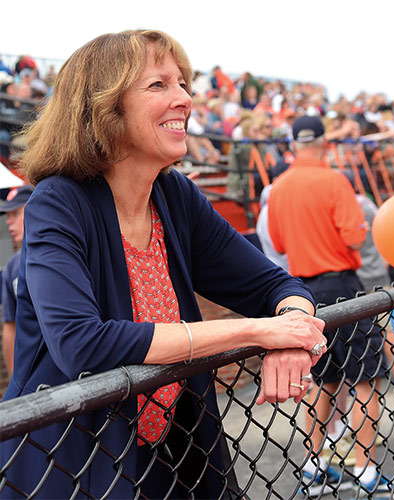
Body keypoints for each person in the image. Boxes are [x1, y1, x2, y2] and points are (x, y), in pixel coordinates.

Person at [0, 30, 329, 500]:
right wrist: (259, 333)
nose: (184, 99)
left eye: (183, 84)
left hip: (169, 461)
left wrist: (294, 327)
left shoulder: (175, 196)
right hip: (70, 466)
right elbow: (80, 342)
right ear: (103, 108)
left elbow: (274, 283)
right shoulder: (59, 200)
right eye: (159, 85)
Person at [267, 116, 394, 497]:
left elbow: (279, 245)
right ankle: (364, 472)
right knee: (366, 381)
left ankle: (315, 467)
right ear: (325, 142)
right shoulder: (334, 180)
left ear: (294, 144)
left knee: (324, 381)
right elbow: (354, 234)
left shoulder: (277, 188)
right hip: (344, 287)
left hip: (305, 296)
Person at [0, 184, 33, 377]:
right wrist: (15, 377)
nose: (8, 222)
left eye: (15, 214)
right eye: (7, 215)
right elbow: (10, 325)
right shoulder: (12, 266)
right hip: (31, 374)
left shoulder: (62, 252)